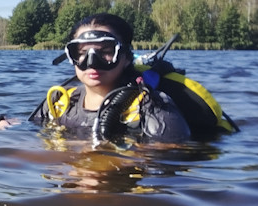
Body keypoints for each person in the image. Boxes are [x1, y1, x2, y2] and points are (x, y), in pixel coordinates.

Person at [29, 13, 191, 143]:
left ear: (127, 57)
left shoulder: (153, 107)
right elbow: (26, 134)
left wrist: (94, 158)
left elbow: (172, 157)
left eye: (106, 51)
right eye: (83, 53)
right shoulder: (59, 102)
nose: (92, 62)